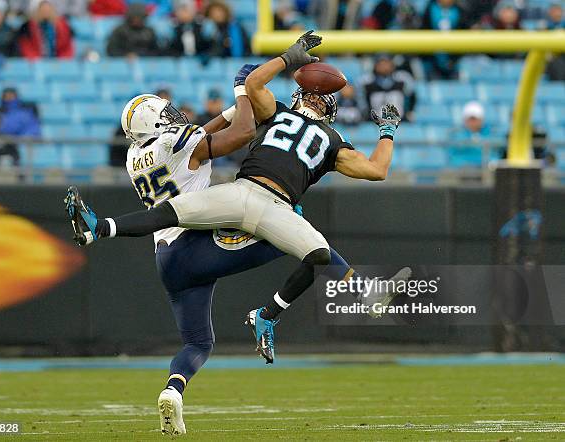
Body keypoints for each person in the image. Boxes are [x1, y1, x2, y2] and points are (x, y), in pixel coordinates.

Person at [66, 60, 405, 435]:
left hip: (215, 213)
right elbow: (377, 170)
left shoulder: (145, 153)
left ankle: (102, 229)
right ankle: (283, 311)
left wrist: (275, 66)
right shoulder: (333, 142)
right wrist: (387, 131)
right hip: (249, 217)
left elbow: (243, 97)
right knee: (307, 246)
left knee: (172, 217)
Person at [421, 0, 468, 79]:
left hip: (454, 62)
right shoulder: (430, 9)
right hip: (433, 62)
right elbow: (424, 31)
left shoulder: (460, 10)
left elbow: (464, 36)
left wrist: (454, 59)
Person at [361, 54, 416, 122]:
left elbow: (412, 96)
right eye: (381, 64)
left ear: (392, 65)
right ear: (375, 66)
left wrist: (409, 112)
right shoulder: (367, 82)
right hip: (375, 124)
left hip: (400, 123)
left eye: (386, 63)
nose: (384, 67)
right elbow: (362, 102)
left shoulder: (402, 79)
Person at [448, 101, 493, 168]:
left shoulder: (491, 135)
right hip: (463, 172)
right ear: (465, 120)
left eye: (475, 119)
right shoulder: (457, 136)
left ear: (482, 120)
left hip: (485, 171)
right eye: (470, 119)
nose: (473, 123)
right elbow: (453, 158)